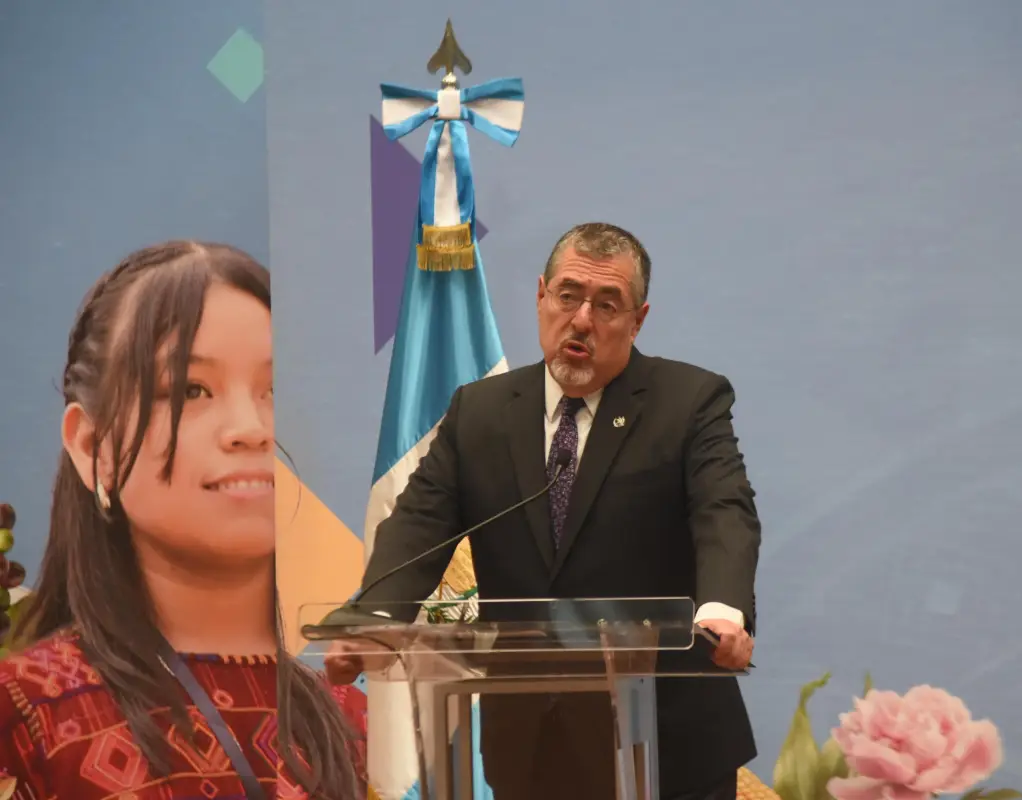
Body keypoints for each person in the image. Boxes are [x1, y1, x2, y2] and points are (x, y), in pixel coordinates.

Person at [327, 222, 761, 800]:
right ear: (540, 295)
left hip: (666, 748)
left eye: (608, 304)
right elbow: (419, 524)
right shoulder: (480, 412)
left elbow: (723, 509)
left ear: (638, 319)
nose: (582, 319)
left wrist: (723, 610)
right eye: (568, 295)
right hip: (531, 750)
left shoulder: (689, 402)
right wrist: (376, 622)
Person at [0, 242, 367, 799]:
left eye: (274, 390)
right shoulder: (22, 716)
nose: (251, 427)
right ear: (91, 444)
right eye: (193, 390)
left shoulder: (357, 724)